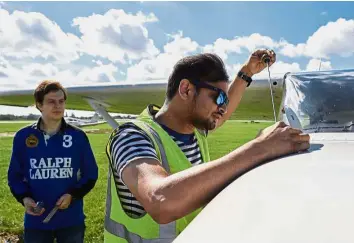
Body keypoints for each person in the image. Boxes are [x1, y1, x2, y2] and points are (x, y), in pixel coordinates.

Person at [104, 49, 310, 242]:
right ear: (186, 89)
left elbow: (221, 114)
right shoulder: (132, 136)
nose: (223, 107)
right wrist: (260, 147)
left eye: (225, 100)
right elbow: (161, 201)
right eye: (219, 97)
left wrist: (247, 73)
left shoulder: (194, 131)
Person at [7, 80, 98, 243]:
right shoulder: (23, 137)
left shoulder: (78, 136)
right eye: (51, 101)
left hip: (71, 220)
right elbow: (14, 176)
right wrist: (25, 198)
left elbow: (90, 174)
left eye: (61, 101)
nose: (58, 106)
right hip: (36, 222)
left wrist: (73, 195)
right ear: (39, 105)